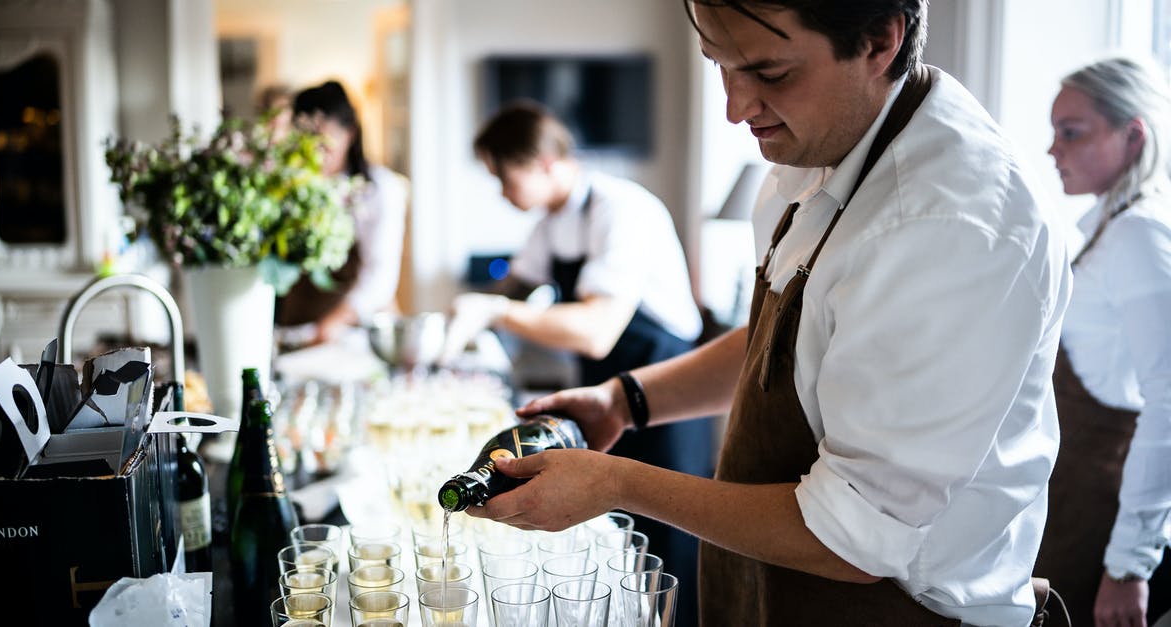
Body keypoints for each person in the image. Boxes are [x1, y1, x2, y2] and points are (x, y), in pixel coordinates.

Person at [463, 1, 1074, 625]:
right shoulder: (815, 158)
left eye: (771, 74)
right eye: (719, 66)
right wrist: (624, 401)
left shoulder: (950, 225)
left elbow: (853, 536)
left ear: (879, 40)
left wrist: (617, 483)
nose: (735, 108)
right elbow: (780, 341)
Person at [441, 100, 714, 625]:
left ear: (544, 163)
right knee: (613, 541)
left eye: (504, 176)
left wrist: (494, 310)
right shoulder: (552, 224)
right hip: (605, 398)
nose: (502, 191)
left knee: (667, 551)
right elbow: (514, 289)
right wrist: (474, 322)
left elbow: (596, 330)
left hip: (666, 392)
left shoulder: (621, 209)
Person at [1034, 56, 1171, 627]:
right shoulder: (1104, 230)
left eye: (1072, 132)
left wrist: (1129, 565)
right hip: (1067, 497)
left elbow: (1168, 403)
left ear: (1132, 135)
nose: (1052, 149)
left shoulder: (1139, 236)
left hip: (1099, 511)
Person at [274, 80, 408, 344]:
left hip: (355, 332)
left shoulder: (379, 189)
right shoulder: (286, 186)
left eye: (324, 139)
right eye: (304, 137)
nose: (313, 149)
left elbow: (379, 278)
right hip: (294, 328)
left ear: (350, 133)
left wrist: (332, 324)